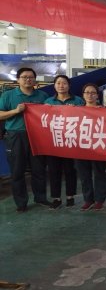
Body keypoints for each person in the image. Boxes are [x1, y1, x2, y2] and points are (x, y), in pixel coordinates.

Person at [0, 67, 51, 212]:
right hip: (16, 136)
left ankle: (40, 198)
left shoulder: (42, 96)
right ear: (18, 80)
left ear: (35, 80)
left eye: (31, 77)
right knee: (17, 171)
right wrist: (15, 111)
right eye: (24, 77)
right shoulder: (8, 95)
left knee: (39, 169)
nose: (28, 79)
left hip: (37, 136)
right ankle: (21, 203)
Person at [44, 75, 85, 208]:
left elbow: (85, 117)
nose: (61, 86)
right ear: (54, 85)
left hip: (71, 141)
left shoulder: (78, 100)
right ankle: (56, 197)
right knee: (54, 170)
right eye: (58, 83)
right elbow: (43, 120)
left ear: (69, 85)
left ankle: (70, 196)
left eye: (64, 83)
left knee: (70, 170)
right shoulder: (48, 101)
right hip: (54, 141)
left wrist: (76, 110)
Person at [77, 83, 106, 211]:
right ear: (83, 95)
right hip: (81, 147)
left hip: (98, 146)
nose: (90, 95)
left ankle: (99, 200)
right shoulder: (77, 110)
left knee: (99, 173)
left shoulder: (104, 110)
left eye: (93, 93)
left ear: (97, 95)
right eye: (87, 92)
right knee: (84, 175)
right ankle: (88, 199)